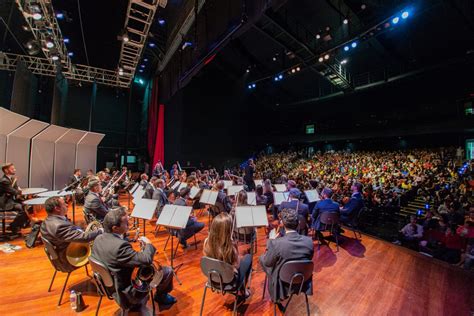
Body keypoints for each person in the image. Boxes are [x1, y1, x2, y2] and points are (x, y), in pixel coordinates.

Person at [91, 207, 176, 311]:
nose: (129, 225)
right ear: (115, 228)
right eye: (126, 223)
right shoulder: (119, 247)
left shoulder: (99, 238)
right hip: (127, 293)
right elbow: (146, 260)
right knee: (167, 271)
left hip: (109, 287)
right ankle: (161, 297)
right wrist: (148, 244)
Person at [259, 208, 314, 307]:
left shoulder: (276, 243)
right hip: (302, 280)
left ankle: (274, 293)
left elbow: (268, 263)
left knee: (262, 259)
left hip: (282, 283)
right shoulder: (309, 241)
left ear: (283, 225)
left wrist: (270, 242)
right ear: (298, 223)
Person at [40, 196, 103, 271]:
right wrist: (100, 231)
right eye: (64, 204)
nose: (67, 205)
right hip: (68, 260)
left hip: (62, 253)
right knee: (104, 248)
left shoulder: (47, 221)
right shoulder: (59, 226)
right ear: (57, 208)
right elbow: (84, 238)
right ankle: (103, 276)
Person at [203, 213, 252, 299]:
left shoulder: (207, 242)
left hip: (213, 278)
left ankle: (242, 289)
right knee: (248, 257)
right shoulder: (230, 247)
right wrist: (237, 252)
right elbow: (237, 266)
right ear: (228, 230)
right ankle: (243, 290)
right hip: (230, 281)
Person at [0, 163, 27, 234]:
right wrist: (21, 192)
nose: (14, 170)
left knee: (28, 207)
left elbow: (16, 191)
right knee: (22, 209)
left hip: (11, 200)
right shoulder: (4, 181)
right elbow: (14, 191)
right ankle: (13, 226)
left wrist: (21, 194)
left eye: (14, 168)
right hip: (5, 203)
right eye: (12, 169)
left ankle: (18, 225)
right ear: (6, 170)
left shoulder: (12, 179)